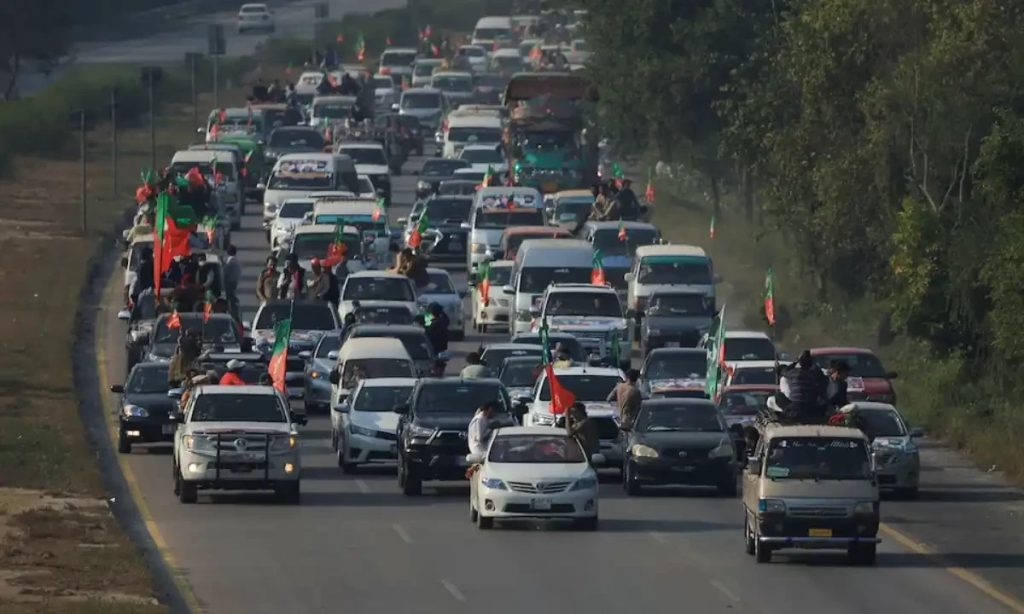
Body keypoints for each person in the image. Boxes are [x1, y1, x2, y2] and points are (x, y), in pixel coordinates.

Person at [779, 350, 831, 423]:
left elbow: (783, 371)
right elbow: (823, 380)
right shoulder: (814, 374)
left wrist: (795, 362)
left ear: (800, 363)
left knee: (778, 396)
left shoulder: (793, 373)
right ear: (811, 363)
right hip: (810, 405)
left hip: (795, 405)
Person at [223, 244, 241, 320]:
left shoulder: (230, 261)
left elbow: (225, 273)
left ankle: (233, 312)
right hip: (234, 282)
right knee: (231, 298)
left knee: (229, 298)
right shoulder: (237, 261)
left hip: (229, 282)